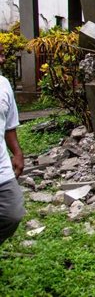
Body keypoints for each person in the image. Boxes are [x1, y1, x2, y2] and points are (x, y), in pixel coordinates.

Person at [0, 43, 26, 246]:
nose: (2, 60)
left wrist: (17, 152)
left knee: (12, 214)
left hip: (2, 169)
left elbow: (9, 125)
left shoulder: (4, 85)